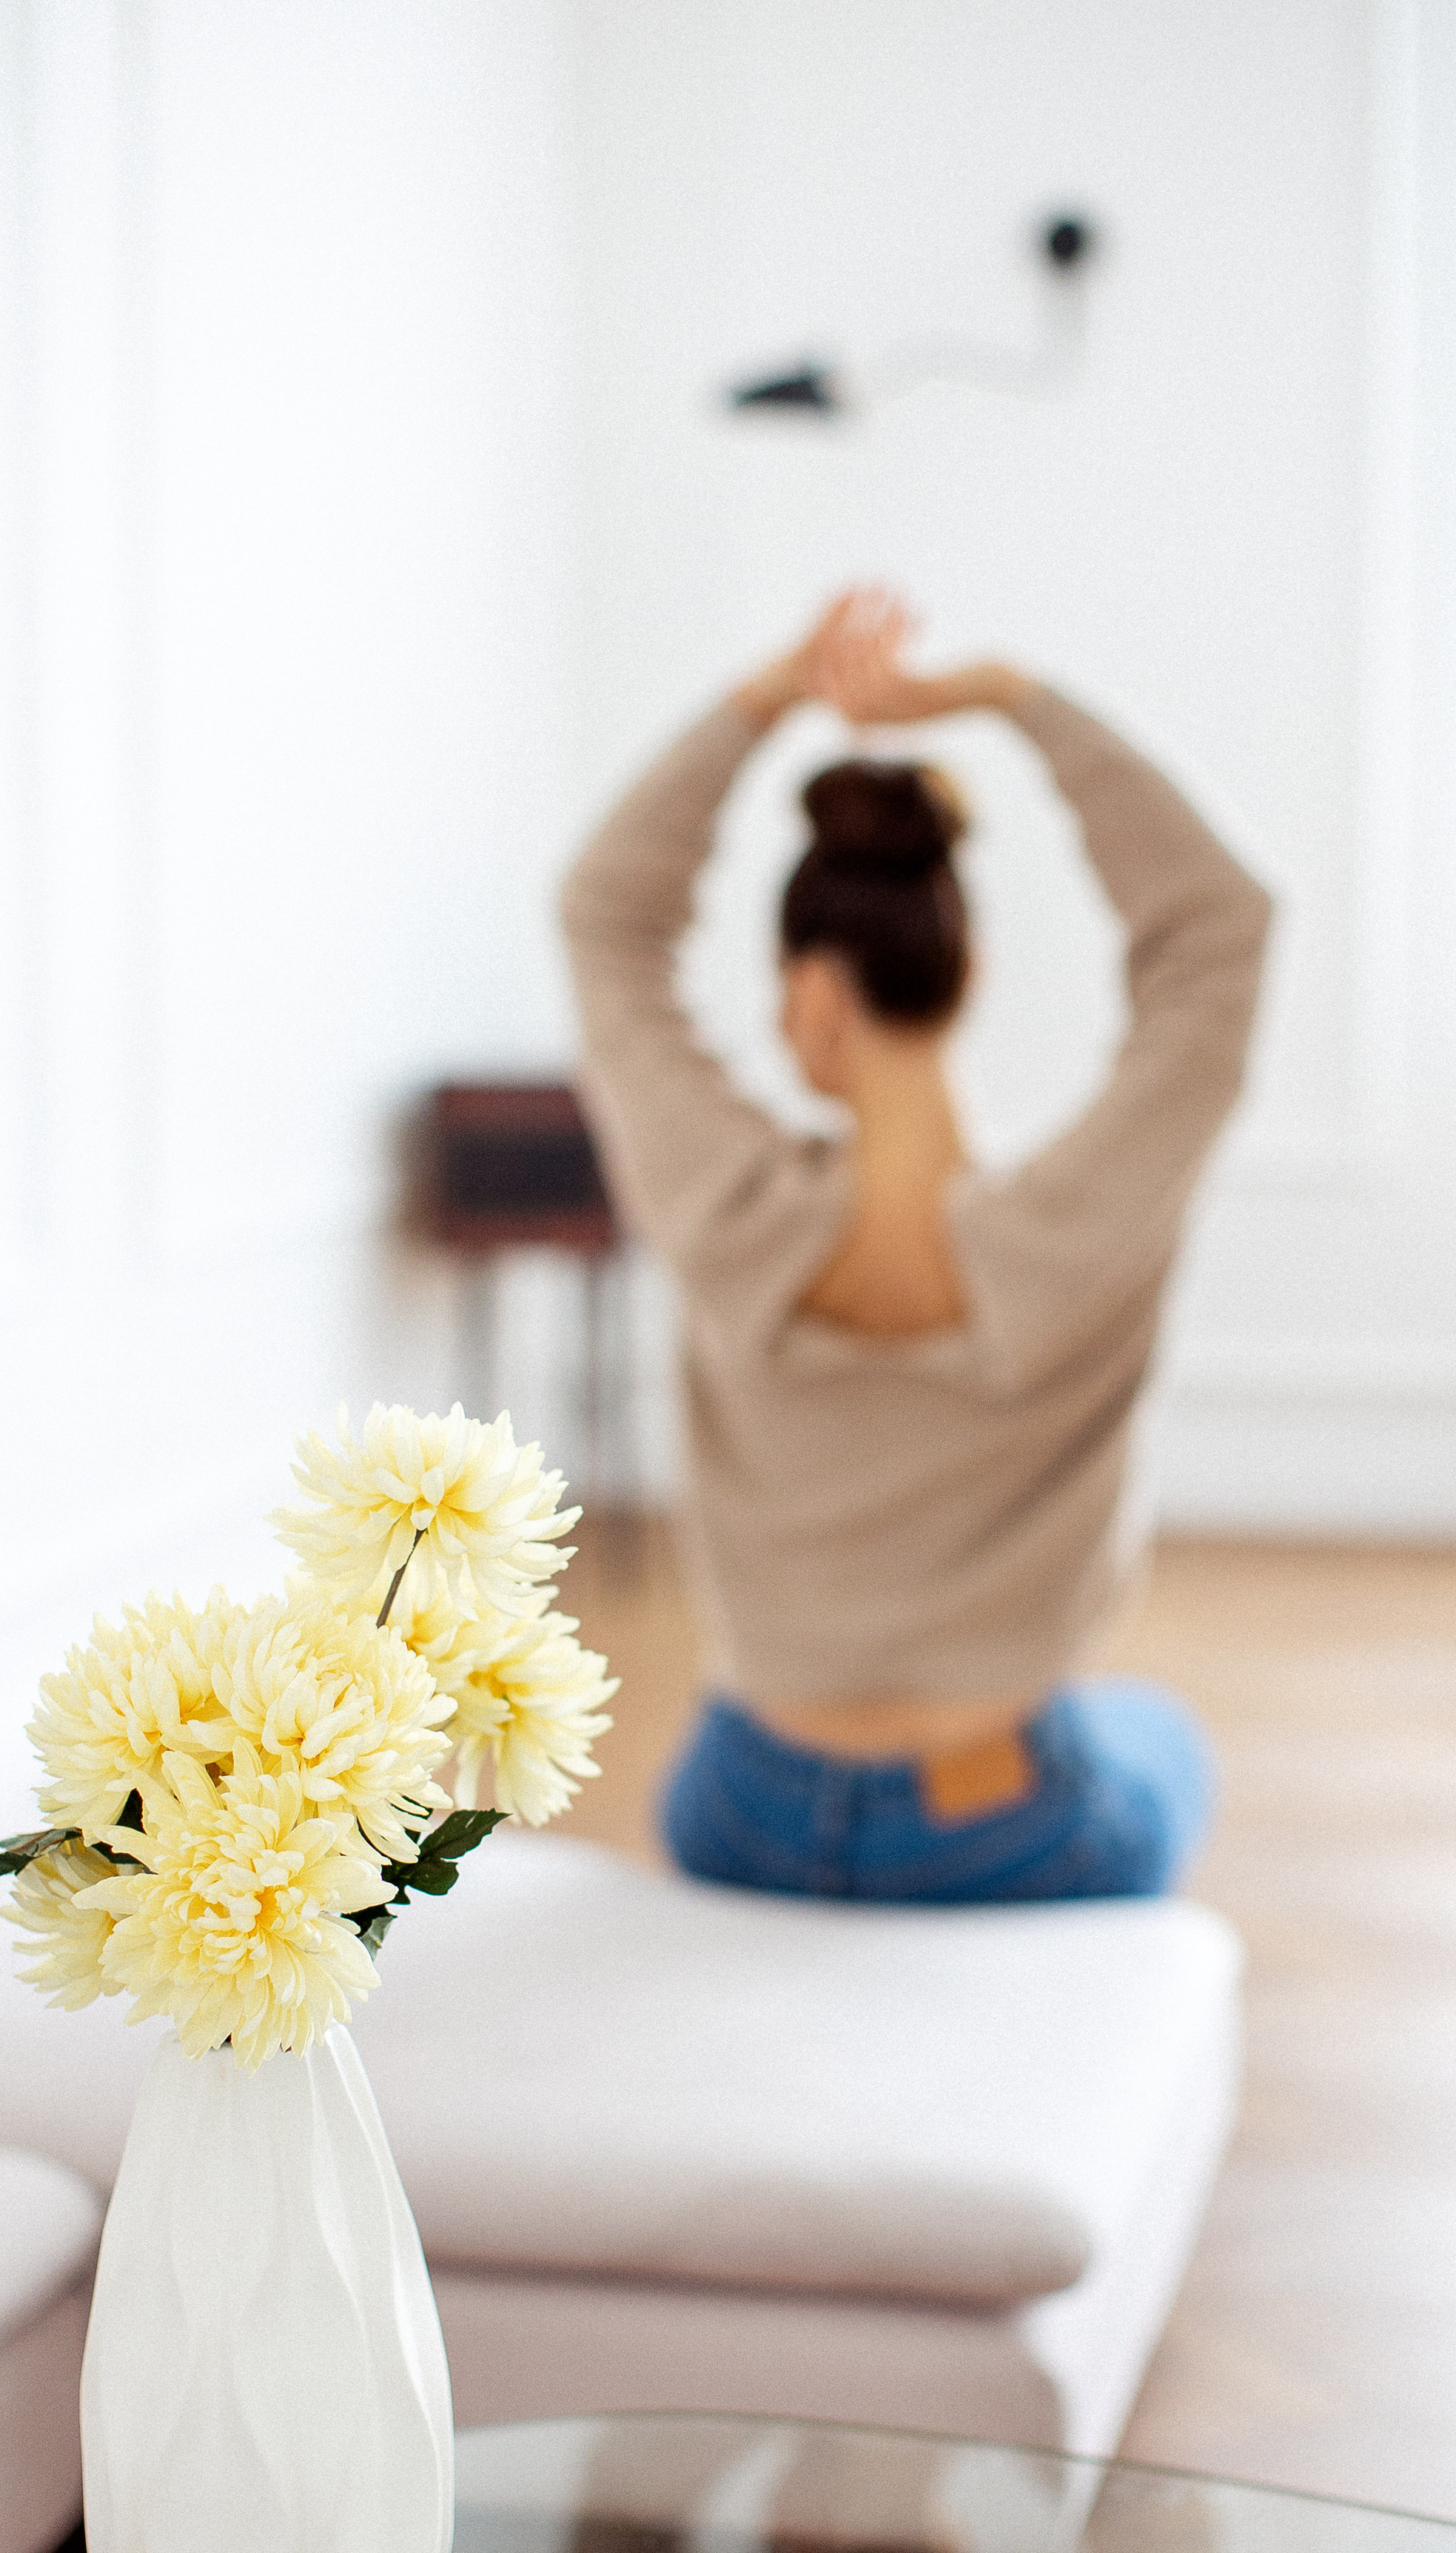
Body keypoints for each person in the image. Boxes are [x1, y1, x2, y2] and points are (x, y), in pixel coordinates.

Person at [560, 587, 1270, 1904]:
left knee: (717, 1758)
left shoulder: (726, 1207)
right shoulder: (1081, 1223)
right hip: (1006, 1821)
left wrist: (765, 701)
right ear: (970, 968)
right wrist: (1011, 698)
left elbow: (608, 916)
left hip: (745, 1814)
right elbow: (1219, 933)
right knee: (1163, 1736)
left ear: (811, 992)